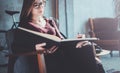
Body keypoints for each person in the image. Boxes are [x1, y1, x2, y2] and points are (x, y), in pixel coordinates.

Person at [9, 0, 105, 73]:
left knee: (86, 46)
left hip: (62, 51)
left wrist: (77, 42)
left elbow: (61, 40)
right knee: (87, 60)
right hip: (45, 57)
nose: (40, 7)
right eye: (36, 5)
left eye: (42, 3)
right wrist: (35, 47)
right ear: (29, 7)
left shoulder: (50, 21)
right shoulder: (24, 26)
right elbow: (16, 47)